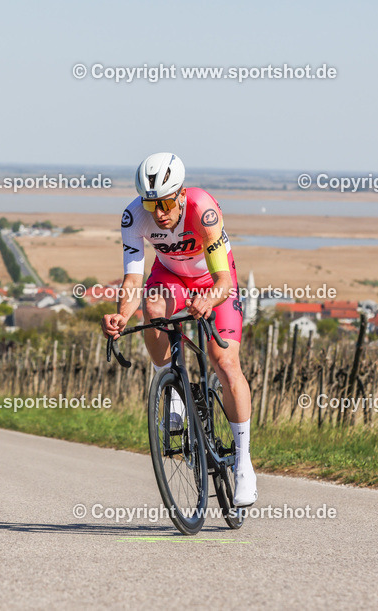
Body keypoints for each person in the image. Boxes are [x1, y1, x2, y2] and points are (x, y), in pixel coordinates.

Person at [101, 152, 257, 506]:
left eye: (167, 202)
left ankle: (244, 462)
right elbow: (133, 276)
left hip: (213, 282)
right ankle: (171, 386)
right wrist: (121, 314)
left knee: (226, 363)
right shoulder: (133, 216)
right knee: (151, 306)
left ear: (182, 193)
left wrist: (209, 300)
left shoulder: (203, 208)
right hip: (171, 278)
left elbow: (223, 280)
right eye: (151, 203)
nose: (159, 212)